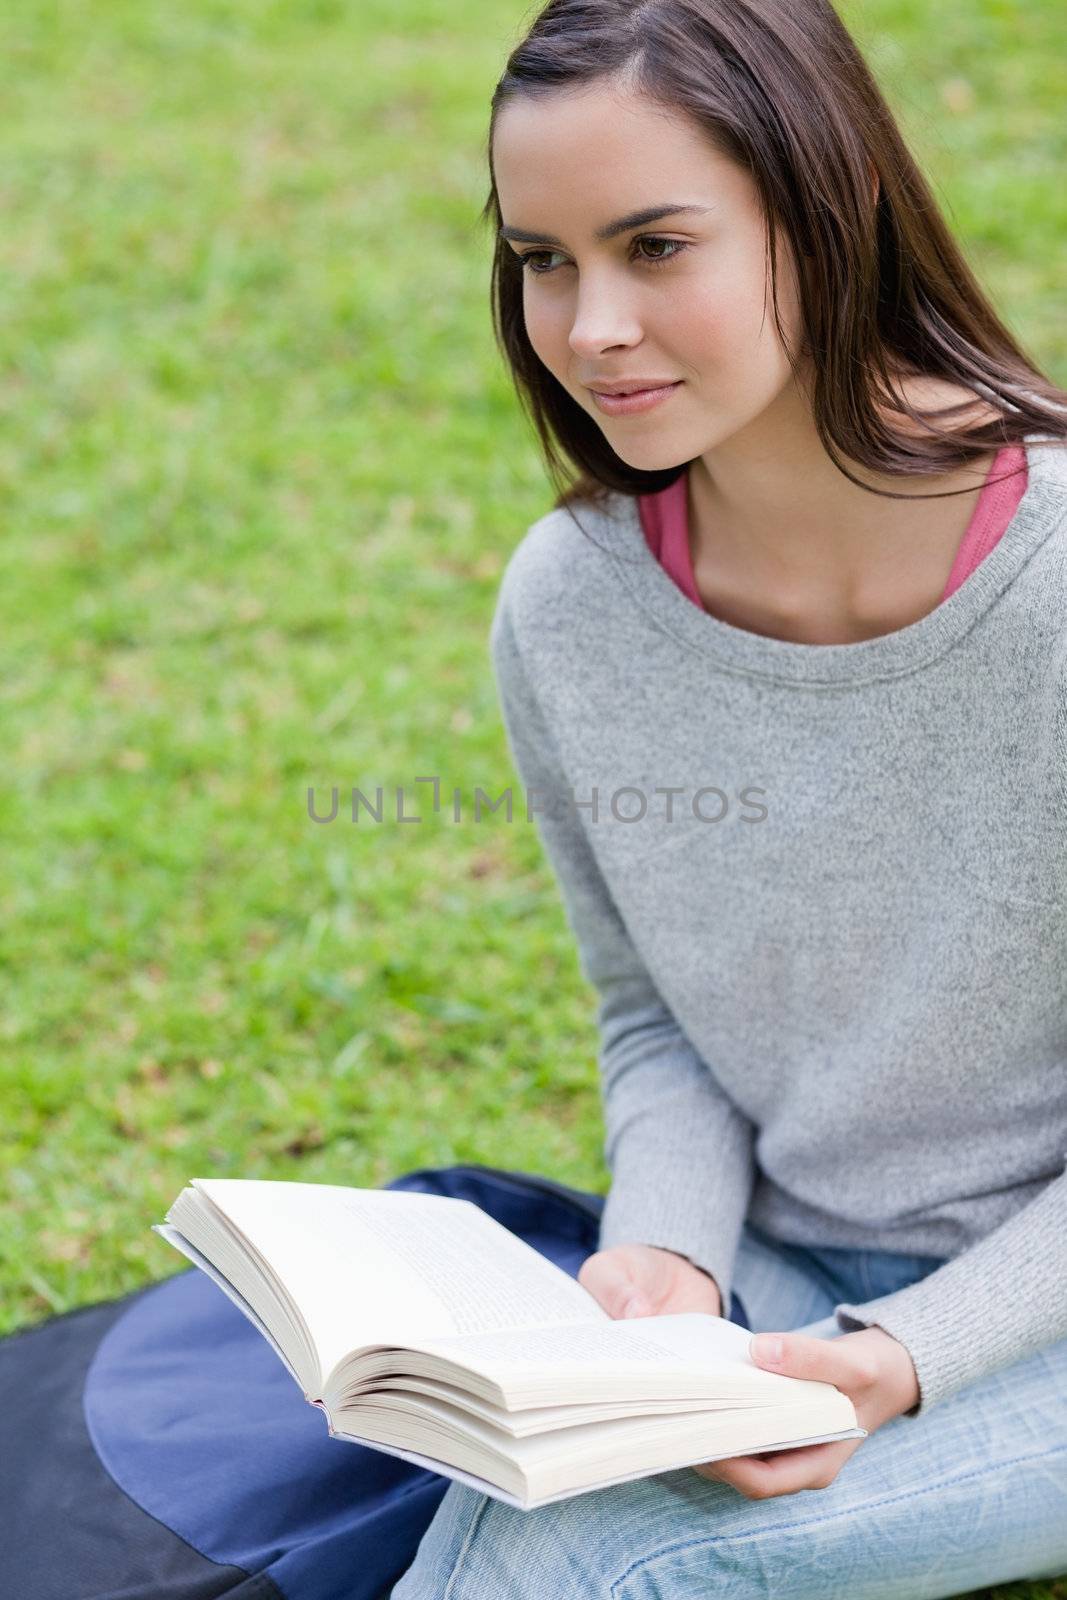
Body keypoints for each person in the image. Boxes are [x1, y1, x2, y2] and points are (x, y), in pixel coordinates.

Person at [392, 0, 1067, 1593]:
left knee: (598, 1569)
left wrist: (907, 1352)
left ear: (824, 219)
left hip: (1033, 1311)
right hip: (780, 1272)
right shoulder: (571, 607)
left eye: (655, 245)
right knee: (490, 1502)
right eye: (544, 258)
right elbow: (659, 1021)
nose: (590, 325)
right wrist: (674, 1255)